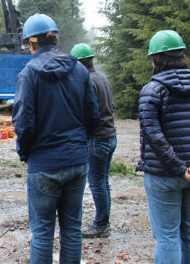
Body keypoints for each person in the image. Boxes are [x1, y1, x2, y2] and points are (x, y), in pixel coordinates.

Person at [13, 13, 100, 264]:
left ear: (31, 44)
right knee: (72, 230)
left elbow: (23, 123)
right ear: (56, 38)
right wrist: (78, 144)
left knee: (42, 233)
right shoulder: (80, 71)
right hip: (76, 162)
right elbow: (93, 116)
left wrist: (25, 152)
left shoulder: (28, 74)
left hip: (43, 165)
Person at [137, 30, 190, 264]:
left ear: (155, 60)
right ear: (182, 56)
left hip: (164, 177)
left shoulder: (151, 91)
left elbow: (154, 135)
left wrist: (177, 167)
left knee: (167, 237)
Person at [70, 43, 117, 238]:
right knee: (103, 181)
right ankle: (103, 221)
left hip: (97, 139)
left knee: (97, 182)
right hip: (110, 136)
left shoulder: (87, 81)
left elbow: (88, 113)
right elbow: (111, 107)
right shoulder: (102, 78)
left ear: (80, 62)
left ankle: (101, 225)